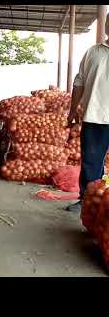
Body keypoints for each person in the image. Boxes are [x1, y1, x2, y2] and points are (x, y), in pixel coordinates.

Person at [65, 15, 109, 212]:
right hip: (94, 117)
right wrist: (73, 110)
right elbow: (79, 82)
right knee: (91, 162)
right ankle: (88, 202)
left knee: (94, 162)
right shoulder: (93, 52)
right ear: (107, 25)